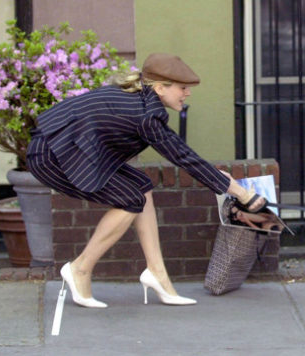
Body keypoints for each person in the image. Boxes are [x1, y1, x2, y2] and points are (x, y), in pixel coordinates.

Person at [26, 53, 266, 308]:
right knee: (131, 199)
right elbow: (183, 157)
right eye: (182, 88)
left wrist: (223, 181)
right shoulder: (147, 116)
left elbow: (183, 155)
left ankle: (157, 274)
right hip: (53, 155)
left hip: (66, 149)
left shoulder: (141, 99)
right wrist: (242, 194)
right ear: (160, 88)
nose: (188, 93)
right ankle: (80, 269)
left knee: (141, 188)